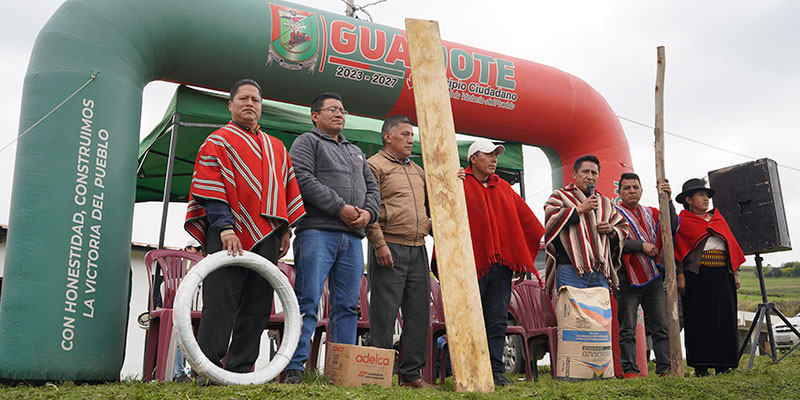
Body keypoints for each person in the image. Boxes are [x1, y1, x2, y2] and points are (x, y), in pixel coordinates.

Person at [184, 78, 305, 379]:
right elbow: (211, 189)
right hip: (227, 233)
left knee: (258, 305)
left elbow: (285, 193)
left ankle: (239, 369)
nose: (250, 104)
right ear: (231, 104)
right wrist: (225, 228)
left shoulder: (277, 147)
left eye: (256, 100)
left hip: (268, 237)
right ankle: (207, 369)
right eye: (243, 99)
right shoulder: (217, 141)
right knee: (220, 302)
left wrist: (284, 232)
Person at [284, 92, 380, 383]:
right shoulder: (306, 142)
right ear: (315, 115)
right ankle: (295, 368)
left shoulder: (355, 151)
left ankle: (341, 372)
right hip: (316, 232)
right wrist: (340, 208)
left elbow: (373, 190)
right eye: (333, 110)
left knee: (347, 306)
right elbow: (301, 178)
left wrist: (368, 214)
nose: (340, 114)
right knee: (307, 301)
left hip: (352, 238)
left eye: (342, 110)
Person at [463, 139, 545, 386]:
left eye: (496, 155)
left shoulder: (504, 188)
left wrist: (520, 259)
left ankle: (495, 371)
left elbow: (526, 223)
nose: (494, 159)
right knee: (468, 317)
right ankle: (468, 369)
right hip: (469, 264)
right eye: (487, 154)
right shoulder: (460, 184)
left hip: (500, 266)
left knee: (497, 318)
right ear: (473, 159)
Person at [363, 115, 437, 389]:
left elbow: (427, 211)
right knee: (384, 313)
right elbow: (369, 208)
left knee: (419, 313)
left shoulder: (418, 171)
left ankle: (411, 375)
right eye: (405, 134)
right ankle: (377, 374)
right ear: (387, 136)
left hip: (418, 247)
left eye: (412, 135)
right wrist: (379, 244)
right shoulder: (373, 166)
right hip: (388, 246)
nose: (410, 139)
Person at [674, 178, 744, 377]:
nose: (706, 199)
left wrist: (735, 273)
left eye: (707, 195)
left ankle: (724, 364)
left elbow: (731, 246)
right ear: (688, 199)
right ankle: (701, 366)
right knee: (698, 319)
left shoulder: (718, 219)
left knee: (725, 319)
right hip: (697, 276)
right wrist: (680, 275)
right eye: (700, 195)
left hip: (723, 275)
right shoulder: (683, 221)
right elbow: (677, 251)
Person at [614, 173, 676, 378]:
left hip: (653, 276)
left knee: (661, 326)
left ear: (641, 190)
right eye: (627, 188)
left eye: (635, 187)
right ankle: (630, 369)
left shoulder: (652, 212)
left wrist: (668, 200)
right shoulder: (613, 214)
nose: (632, 191)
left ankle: (664, 368)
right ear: (620, 192)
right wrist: (641, 246)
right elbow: (615, 240)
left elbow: (672, 225)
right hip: (626, 277)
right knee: (627, 328)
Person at [543, 155, 629, 295]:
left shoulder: (605, 203)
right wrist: (579, 209)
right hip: (571, 267)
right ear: (574, 174)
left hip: (600, 270)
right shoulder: (560, 195)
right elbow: (551, 218)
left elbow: (623, 227)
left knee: (599, 316)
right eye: (585, 172)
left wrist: (611, 230)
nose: (590, 177)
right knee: (573, 315)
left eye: (594, 173)